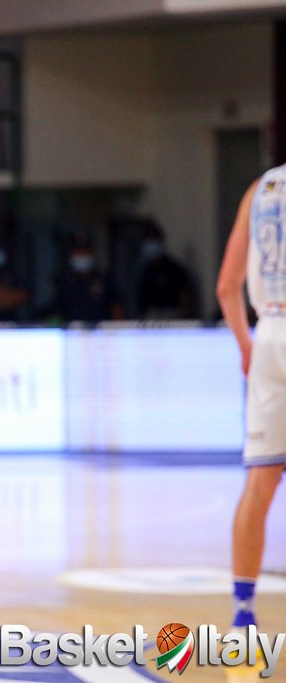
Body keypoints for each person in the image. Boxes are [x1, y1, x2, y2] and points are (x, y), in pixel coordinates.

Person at [215, 167, 286, 631]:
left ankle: (243, 614)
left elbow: (227, 285)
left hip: (270, 334)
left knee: (260, 483)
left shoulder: (260, 187)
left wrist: (246, 345)